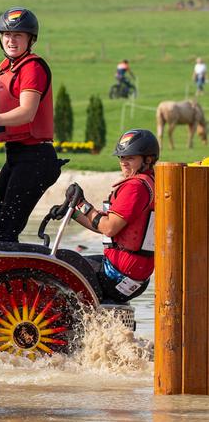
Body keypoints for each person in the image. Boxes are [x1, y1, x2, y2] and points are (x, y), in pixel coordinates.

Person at [0, 7, 64, 243]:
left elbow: (26, 113)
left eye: (18, 35)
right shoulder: (6, 68)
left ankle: (17, 279)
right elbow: (8, 120)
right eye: (7, 35)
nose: (11, 40)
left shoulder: (32, 67)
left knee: (5, 231)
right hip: (17, 156)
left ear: (30, 39)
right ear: (0, 38)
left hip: (36, 158)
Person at [65, 129, 158, 303]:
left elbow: (108, 227)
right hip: (136, 278)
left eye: (130, 157)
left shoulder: (135, 187)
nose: (124, 163)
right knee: (73, 261)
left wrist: (83, 204)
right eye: (121, 157)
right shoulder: (151, 183)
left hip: (116, 275)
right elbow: (108, 227)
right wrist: (73, 212)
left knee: (62, 263)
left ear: (148, 159)